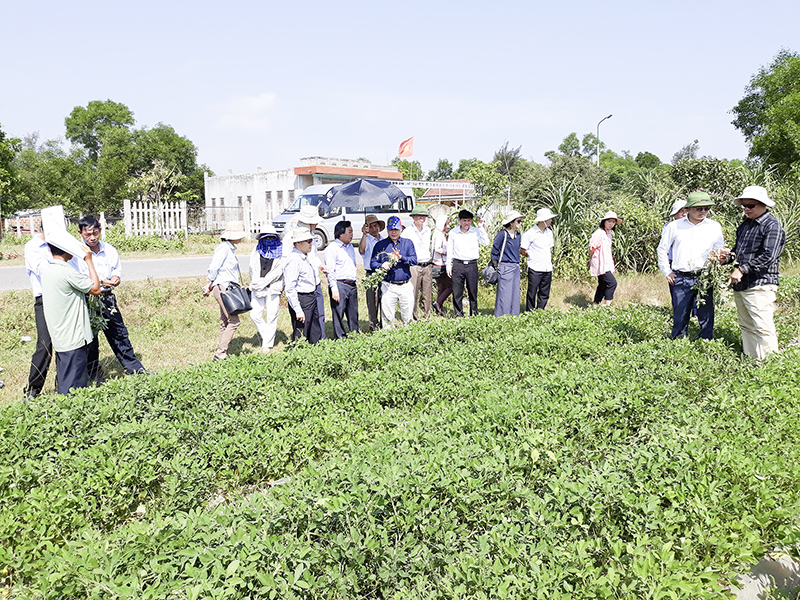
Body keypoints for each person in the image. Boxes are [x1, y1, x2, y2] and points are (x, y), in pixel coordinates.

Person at [71, 216, 149, 381]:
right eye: (88, 234)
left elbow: (116, 270)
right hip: (88, 300)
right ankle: (93, 374)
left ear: (100, 230)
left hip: (107, 298)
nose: (92, 238)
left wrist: (115, 279)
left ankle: (134, 369)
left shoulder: (110, 250)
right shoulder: (76, 253)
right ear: (80, 233)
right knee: (90, 339)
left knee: (119, 333)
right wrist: (98, 283)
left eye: (95, 233)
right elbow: (77, 278)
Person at [724, 185, 786, 359]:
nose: (746, 209)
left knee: (762, 326)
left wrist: (742, 269)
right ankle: (752, 360)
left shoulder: (772, 226)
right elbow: (738, 251)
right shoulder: (745, 225)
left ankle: (770, 366)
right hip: (742, 283)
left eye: (750, 206)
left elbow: (769, 256)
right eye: (744, 206)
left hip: (760, 283)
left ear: (762, 205)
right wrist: (727, 259)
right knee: (746, 325)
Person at [41, 230, 102, 395]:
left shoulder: (47, 270)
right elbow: (96, 289)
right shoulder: (66, 272)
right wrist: (89, 260)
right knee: (74, 387)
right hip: (73, 337)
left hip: (61, 336)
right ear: (67, 250)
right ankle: (72, 415)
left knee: (66, 378)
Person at [657, 192, 725, 340]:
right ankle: (678, 344)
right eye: (699, 208)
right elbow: (662, 249)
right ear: (688, 209)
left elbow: (720, 249)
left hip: (705, 277)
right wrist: (667, 272)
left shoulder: (714, 226)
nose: (703, 212)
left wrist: (720, 259)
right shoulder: (674, 227)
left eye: (706, 208)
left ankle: (706, 342)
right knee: (680, 313)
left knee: (706, 313)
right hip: (681, 277)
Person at [203, 221, 247, 361]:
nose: (241, 237)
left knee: (225, 321)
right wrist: (210, 282)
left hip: (224, 287)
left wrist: (209, 285)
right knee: (234, 321)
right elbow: (214, 267)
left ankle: (222, 351)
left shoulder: (230, 248)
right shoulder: (223, 249)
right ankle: (220, 353)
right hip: (223, 288)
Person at [283, 205, 327, 339]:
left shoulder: (310, 238)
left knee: (316, 321)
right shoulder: (292, 240)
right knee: (302, 328)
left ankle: (318, 345)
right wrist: (297, 308)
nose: (311, 244)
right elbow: (290, 282)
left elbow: (312, 257)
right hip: (300, 291)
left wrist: (320, 265)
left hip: (312, 285)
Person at [23, 224, 53, 399]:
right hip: (45, 298)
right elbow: (44, 271)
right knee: (44, 344)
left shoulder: (63, 243)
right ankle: (33, 389)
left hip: (64, 297)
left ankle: (64, 384)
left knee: (67, 344)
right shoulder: (32, 246)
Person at [371, 216, 418, 328]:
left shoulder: (408, 243)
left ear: (401, 229)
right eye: (391, 230)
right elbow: (372, 263)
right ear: (387, 230)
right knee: (387, 317)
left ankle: (408, 338)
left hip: (405, 285)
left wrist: (401, 257)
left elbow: (414, 260)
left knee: (408, 316)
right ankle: (389, 339)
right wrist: (381, 265)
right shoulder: (380, 245)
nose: (393, 232)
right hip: (388, 285)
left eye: (396, 229)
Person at [249, 224, 286, 353]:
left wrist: (265, 282)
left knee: (272, 315)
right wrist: (257, 283)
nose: (269, 240)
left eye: (272, 237)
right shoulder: (256, 250)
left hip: (273, 286)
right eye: (266, 237)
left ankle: (267, 344)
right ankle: (267, 335)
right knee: (255, 314)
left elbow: (279, 271)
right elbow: (252, 269)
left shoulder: (281, 251)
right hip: (258, 287)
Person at [446, 209, 489, 317]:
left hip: (472, 264)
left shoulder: (475, 231)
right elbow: (450, 250)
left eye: (469, 220)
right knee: (457, 292)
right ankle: (459, 315)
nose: (467, 223)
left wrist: (481, 227)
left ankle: (474, 314)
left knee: (473, 291)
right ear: (460, 220)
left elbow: (486, 243)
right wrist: (448, 266)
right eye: (464, 220)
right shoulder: (453, 232)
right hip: (458, 264)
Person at [325, 220, 359, 338]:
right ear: (340, 233)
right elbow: (330, 270)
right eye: (349, 232)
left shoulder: (350, 247)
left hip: (352, 284)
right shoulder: (332, 248)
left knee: (353, 313)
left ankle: (355, 334)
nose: (352, 234)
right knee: (338, 313)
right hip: (340, 284)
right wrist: (334, 288)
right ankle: (340, 337)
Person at [521, 208, 558, 311]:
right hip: (535, 267)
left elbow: (549, 247)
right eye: (549, 219)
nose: (550, 221)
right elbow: (523, 250)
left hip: (547, 267)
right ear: (542, 220)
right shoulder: (530, 233)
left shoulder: (549, 233)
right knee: (532, 291)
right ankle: (530, 311)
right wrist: (531, 255)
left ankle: (540, 310)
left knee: (544, 292)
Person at [402, 205, 433, 319]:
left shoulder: (428, 230)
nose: (422, 218)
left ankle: (426, 315)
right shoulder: (407, 232)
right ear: (413, 217)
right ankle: (413, 316)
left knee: (427, 293)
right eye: (419, 216)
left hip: (426, 264)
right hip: (414, 265)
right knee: (413, 292)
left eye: (424, 216)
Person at [491, 210, 523, 316]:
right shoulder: (503, 234)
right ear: (511, 222)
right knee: (504, 294)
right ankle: (501, 317)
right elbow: (495, 250)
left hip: (516, 266)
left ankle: (514, 316)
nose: (520, 223)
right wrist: (496, 266)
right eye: (518, 221)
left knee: (515, 294)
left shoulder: (518, 235)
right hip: (505, 266)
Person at [358, 214, 385, 331]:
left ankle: (384, 323)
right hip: (371, 273)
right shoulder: (367, 239)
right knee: (372, 301)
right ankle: (373, 325)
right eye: (371, 226)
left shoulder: (384, 239)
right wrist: (364, 234)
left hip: (383, 272)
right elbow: (361, 250)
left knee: (384, 299)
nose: (374, 229)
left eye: (376, 226)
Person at [589, 211, 621, 306]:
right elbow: (592, 248)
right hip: (599, 263)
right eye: (609, 221)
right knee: (612, 283)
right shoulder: (599, 233)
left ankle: (596, 304)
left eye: (613, 222)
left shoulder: (608, 233)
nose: (611, 224)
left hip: (605, 262)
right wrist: (591, 259)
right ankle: (607, 306)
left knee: (602, 284)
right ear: (604, 222)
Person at [663, 199, 689, 310]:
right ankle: (677, 311)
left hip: (689, 261)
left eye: (685, 210)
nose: (683, 213)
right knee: (675, 288)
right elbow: (664, 247)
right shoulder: (669, 226)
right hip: (674, 261)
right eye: (680, 211)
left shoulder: (693, 226)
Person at [431, 213, 452, 316]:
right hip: (440, 264)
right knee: (451, 285)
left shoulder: (439, 233)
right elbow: (437, 248)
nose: (447, 227)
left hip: (437, 263)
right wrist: (448, 250)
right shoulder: (439, 234)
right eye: (446, 224)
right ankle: (438, 303)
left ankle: (439, 308)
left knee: (441, 287)